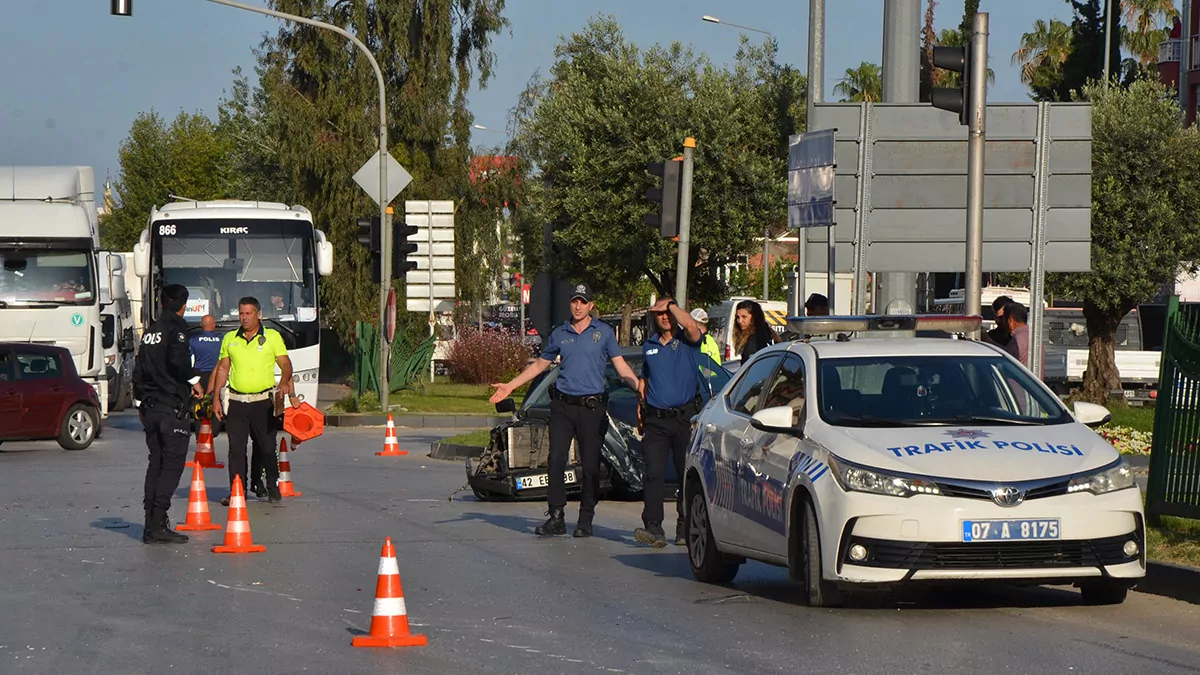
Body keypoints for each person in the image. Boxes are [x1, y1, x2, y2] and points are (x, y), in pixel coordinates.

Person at [489, 283, 640, 537]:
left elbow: (622, 367)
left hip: (591, 408)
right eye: (574, 301)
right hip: (563, 407)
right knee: (556, 459)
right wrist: (510, 386)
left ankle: (585, 519)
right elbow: (539, 366)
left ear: (591, 305)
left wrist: (640, 387)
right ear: (570, 303)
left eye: (583, 301)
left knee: (591, 466)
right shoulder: (560, 333)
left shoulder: (603, 333)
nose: (578, 306)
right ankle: (556, 516)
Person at [131, 284, 205, 545]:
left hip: (150, 407)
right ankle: (158, 522)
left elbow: (138, 372)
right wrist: (194, 380)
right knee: (172, 466)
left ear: (161, 302)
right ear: (184, 305)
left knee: (156, 463)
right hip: (170, 407)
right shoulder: (177, 328)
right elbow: (178, 361)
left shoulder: (150, 332)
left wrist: (140, 403)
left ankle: (151, 523)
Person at [211, 297, 294, 505]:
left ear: (258, 314)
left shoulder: (272, 337)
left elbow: (286, 364)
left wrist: (284, 383)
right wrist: (216, 398)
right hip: (237, 402)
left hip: (263, 402)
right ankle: (237, 490)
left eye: (248, 313)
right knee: (236, 450)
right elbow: (222, 369)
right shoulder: (230, 338)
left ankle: (272, 484)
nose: (244, 318)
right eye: (241, 313)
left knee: (267, 447)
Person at [635, 298, 703, 548]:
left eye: (668, 313)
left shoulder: (688, 341)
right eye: (660, 314)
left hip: (684, 419)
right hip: (655, 419)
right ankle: (653, 527)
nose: (665, 317)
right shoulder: (649, 345)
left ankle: (685, 526)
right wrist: (639, 407)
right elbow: (645, 379)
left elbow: (690, 324)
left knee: (685, 473)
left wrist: (671, 304)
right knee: (653, 473)